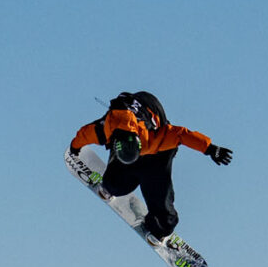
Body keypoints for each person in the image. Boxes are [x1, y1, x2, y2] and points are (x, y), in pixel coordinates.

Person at [65, 91, 232, 241]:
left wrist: (210, 148)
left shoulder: (155, 138)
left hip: (157, 155)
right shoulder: (105, 129)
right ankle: (115, 181)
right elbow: (85, 134)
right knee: (115, 185)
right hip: (126, 145)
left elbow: (181, 134)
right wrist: (75, 146)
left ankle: (161, 224)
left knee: (158, 195)